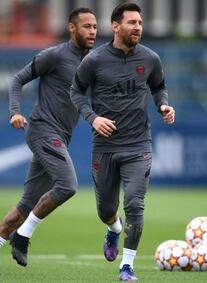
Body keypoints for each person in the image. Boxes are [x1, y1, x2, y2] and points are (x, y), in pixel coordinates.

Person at [70, 2, 175, 281]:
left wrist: (163, 105)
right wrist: (92, 118)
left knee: (135, 203)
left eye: (140, 23)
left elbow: (159, 87)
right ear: (116, 26)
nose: (137, 27)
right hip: (104, 147)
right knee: (106, 209)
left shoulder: (150, 58)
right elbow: (76, 92)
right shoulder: (94, 60)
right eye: (131, 23)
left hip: (138, 145)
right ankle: (114, 229)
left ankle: (126, 266)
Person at [0, 8, 97, 267]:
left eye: (95, 27)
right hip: (43, 130)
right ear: (72, 28)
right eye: (87, 26)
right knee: (67, 186)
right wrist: (15, 112)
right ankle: (22, 237)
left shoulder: (91, 63)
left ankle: (9, 233)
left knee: (24, 208)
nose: (93, 31)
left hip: (59, 137)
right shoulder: (54, 55)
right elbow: (17, 80)